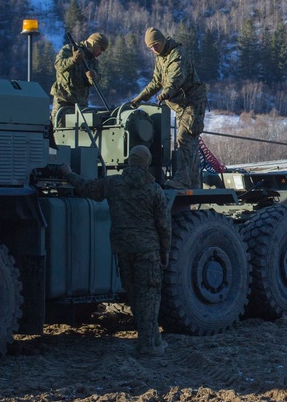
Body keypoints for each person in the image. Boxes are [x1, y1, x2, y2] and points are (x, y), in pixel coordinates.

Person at [59, 145, 171, 357]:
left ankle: (153, 338)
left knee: (135, 296)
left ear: (129, 161)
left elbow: (87, 187)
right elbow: (164, 226)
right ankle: (148, 346)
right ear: (146, 163)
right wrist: (165, 251)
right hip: (148, 250)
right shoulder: (154, 189)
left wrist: (67, 173)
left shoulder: (114, 184)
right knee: (149, 295)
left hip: (123, 248)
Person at [130, 27, 207, 189]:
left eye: (155, 45)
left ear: (163, 41)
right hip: (181, 106)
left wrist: (166, 93)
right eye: (150, 47)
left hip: (192, 103)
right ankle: (193, 183)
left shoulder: (177, 55)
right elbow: (156, 81)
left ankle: (183, 180)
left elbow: (175, 78)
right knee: (190, 143)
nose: (153, 49)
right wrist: (141, 97)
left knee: (184, 138)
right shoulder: (161, 58)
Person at [50, 32, 109, 127]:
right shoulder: (69, 49)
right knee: (60, 132)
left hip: (81, 104)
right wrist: (73, 60)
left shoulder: (93, 62)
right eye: (101, 49)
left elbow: (96, 81)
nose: (101, 53)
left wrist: (93, 77)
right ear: (94, 44)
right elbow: (58, 65)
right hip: (64, 101)